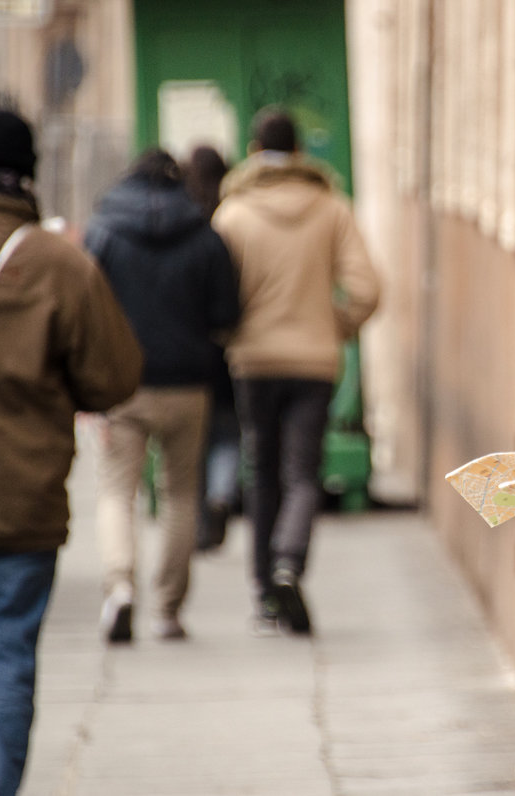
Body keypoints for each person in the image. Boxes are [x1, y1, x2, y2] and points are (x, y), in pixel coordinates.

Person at [0, 108, 143, 795]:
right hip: (15, 509)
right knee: (2, 669)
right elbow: (113, 378)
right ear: (27, 173)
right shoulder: (58, 263)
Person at [212, 107, 380, 635]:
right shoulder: (332, 208)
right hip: (313, 361)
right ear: (301, 153)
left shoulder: (232, 214)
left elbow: (215, 295)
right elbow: (367, 289)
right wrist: (334, 324)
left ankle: (264, 594)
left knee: (260, 473)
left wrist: (234, 332)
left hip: (252, 362)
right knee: (302, 473)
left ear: (253, 151)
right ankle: (289, 562)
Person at [84, 148, 240, 642]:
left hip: (121, 386)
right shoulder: (203, 235)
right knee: (180, 495)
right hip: (188, 385)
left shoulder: (104, 231)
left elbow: (81, 312)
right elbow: (225, 314)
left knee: (116, 491)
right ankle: (168, 609)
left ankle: (120, 587)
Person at [182, 145, 242, 552]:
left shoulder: (183, 223)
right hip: (227, 349)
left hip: (188, 349)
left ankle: (203, 517)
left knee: (197, 442)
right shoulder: (231, 219)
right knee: (227, 432)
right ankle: (222, 496)